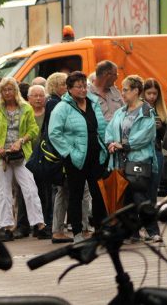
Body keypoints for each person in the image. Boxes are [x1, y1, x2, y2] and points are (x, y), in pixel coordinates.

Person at [0, 78, 49, 241]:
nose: (7, 93)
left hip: (21, 154)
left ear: (16, 91)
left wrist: (21, 141)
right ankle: (6, 227)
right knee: (3, 192)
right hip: (2, 156)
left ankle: (39, 224)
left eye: (10, 90)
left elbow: (33, 129)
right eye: (4, 90)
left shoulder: (25, 108)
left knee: (30, 188)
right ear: (1, 92)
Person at [48, 71, 108, 243]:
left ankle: (101, 230)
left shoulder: (93, 103)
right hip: (75, 158)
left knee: (98, 194)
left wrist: (105, 145)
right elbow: (54, 133)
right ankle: (77, 232)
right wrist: (69, 152)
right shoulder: (62, 107)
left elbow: (101, 127)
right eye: (79, 87)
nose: (83, 90)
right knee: (76, 194)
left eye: (85, 86)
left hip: (96, 156)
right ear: (69, 89)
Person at [105, 75, 159, 241]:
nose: (123, 93)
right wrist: (111, 143)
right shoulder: (121, 111)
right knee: (126, 197)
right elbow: (110, 129)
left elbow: (146, 135)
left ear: (136, 91)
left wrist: (125, 145)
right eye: (123, 90)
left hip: (139, 160)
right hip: (120, 161)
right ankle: (133, 232)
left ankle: (153, 230)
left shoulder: (147, 111)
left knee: (139, 196)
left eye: (126, 89)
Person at [141, 78, 167, 243]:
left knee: (152, 192)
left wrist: (161, 128)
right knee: (140, 192)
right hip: (140, 155)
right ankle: (143, 228)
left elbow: (166, 137)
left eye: (154, 94)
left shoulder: (160, 111)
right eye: (149, 93)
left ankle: (151, 229)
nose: (151, 97)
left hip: (156, 153)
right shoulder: (139, 109)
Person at [28, 84, 53, 230]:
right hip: (28, 158)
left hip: (44, 159)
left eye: (41, 95)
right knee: (30, 192)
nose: (38, 98)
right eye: (35, 96)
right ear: (28, 98)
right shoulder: (26, 112)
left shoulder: (48, 113)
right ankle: (31, 224)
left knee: (46, 192)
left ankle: (46, 223)